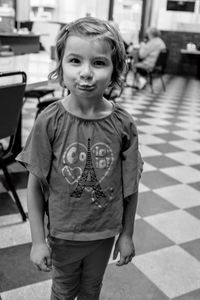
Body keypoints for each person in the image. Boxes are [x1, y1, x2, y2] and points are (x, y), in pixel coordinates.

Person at [16, 17, 143, 300]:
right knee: (62, 292)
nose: (86, 73)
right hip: (63, 234)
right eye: (75, 60)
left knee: (91, 291)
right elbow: (35, 185)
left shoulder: (124, 125)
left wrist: (126, 234)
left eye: (99, 62)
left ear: (115, 70)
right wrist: (38, 241)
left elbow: (131, 186)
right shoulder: (49, 121)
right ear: (60, 65)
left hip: (104, 233)